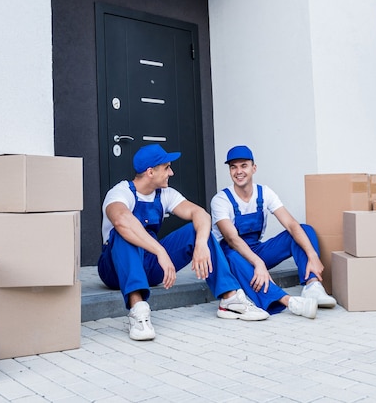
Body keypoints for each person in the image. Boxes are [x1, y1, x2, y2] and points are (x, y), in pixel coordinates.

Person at [98, 144, 269, 341]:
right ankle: (138, 310)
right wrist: (160, 251)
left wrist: (201, 244)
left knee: (196, 230)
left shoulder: (166, 194)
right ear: (150, 172)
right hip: (114, 269)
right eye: (167, 168)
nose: (171, 172)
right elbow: (120, 219)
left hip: (150, 265)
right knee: (123, 232)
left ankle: (230, 299)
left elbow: (200, 214)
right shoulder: (120, 192)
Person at [211, 145, 337, 319]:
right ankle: (288, 301)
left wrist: (313, 256)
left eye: (244, 165)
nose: (238, 171)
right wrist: (258, 263)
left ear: (254, 168)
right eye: (233, 167)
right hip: (230, 257)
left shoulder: (264, 193)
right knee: (233, 257)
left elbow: (291, 224)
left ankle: (312, 286)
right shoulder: (221, 200)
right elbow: (232, 239)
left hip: (256, 250)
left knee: (304, 230)